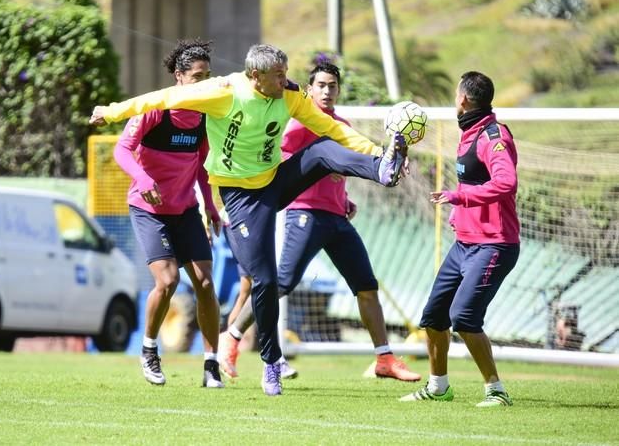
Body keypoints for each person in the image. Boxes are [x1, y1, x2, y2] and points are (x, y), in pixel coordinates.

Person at [90, 43, 409, 396]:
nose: (286, 81)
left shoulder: (290, 95)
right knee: (265, 281)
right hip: (240, 199)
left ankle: (382, 169)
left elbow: (333, 129)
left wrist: (378, 152)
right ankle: (271, 363)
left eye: (286, 73)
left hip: (274, 181)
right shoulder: (223, 92)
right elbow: (161, 98)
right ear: (255, 76)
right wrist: (114, 110)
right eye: (278, 75)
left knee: (322, 149)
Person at [219, 63, 420, 383]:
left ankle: (384, 357)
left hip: (337, 217)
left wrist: (344, 199)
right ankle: (231, 338)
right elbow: (279, 161)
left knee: (366, 287)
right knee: (280, 283)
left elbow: (340, 168)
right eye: (321, 85)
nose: (327, 91)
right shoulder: (297, 122)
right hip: (304, 214)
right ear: (309, 90)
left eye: (333, 86)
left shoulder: (340, 124)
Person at [399, 71, 520, 407]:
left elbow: (506, 183)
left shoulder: (494, 136)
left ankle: (496, 390)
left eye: (455, 94)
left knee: (464, 317)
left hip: (494, 243)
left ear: (463, 98)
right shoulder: (469, 133)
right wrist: (459, 211)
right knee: (434, 317)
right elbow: (472, 184)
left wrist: (460, 199)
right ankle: (438, 386)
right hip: (465, 243)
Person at [113, 39, 224, 388]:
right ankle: (149, 351)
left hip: (186, 210)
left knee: (205, 283)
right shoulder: (155, 109)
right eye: (197, 77)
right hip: (149, 210)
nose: (204, 83)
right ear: (178, 77)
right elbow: (122, 149)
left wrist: (210, 205)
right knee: (168, 280)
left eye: (208, 76)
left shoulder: (206, 117)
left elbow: (203, 167)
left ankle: (211, 365)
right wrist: (143, 178)